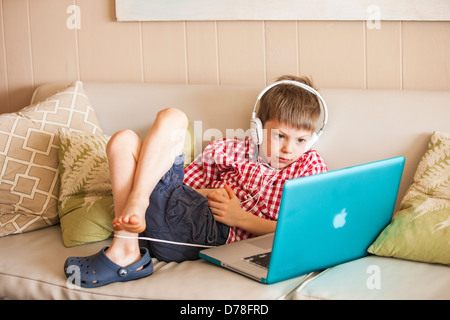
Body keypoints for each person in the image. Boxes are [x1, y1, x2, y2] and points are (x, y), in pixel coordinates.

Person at [64, 75, 328, 288]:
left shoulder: (309, 166)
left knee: (173, 118)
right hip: (175, 217)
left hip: (210, 231)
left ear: (311, 141)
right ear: (258, 128)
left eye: (301, 140)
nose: (289, 150)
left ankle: (131, 226)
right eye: (280, 136)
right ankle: (129, 240)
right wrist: (211, 192)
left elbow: (302, 230)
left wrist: (239, 218)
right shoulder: (229, 149)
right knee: (124, 139)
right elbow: (184, 187)